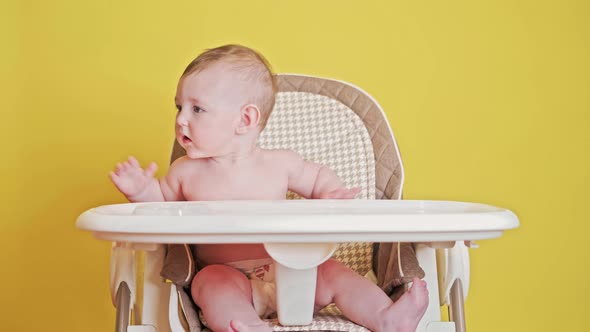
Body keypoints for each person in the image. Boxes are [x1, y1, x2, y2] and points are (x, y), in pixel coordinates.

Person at [110, 44, 428, 332]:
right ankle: (248, 326)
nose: (181, 119)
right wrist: (141, 191)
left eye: (197, 109)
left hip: (292, 274)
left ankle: (386, 317)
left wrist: (330, 195)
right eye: (179, 107)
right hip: (230, 277)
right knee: (210, 283)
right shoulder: (185, 172)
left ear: (245, 119)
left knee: (332, 271)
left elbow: (318, 178)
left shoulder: (279, 164)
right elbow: (160, 206)